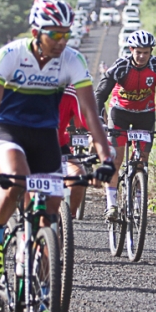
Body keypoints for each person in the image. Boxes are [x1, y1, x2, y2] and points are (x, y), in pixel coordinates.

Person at [0, 0, 114, 293]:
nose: (61, 41)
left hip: (45, 135)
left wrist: (106, 158)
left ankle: (43, 285)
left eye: (66, 34)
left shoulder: (73, 60)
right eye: (55, 34)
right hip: (8, 130)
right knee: (17, 178)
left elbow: (90, 113)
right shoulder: (9, 55)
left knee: (51, 209)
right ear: (36, 32)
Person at [95, 30, 156, 221]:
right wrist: (100, 121)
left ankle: (138, 203)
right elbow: (100, 94)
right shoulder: (121, 66)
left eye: (146, 52)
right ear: (131, 49)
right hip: (120, 114)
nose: (142, 56)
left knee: (142, 161)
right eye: (138, 52)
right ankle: (111, 204)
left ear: (151, 52)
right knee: (116, 159)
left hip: (145, 115)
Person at [58, 84, 90, 217]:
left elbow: (87, 120)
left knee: (79, 177)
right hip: (29, 145)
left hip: (59, 146)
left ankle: (66, 220)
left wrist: (101, 141)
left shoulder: (71, 92)